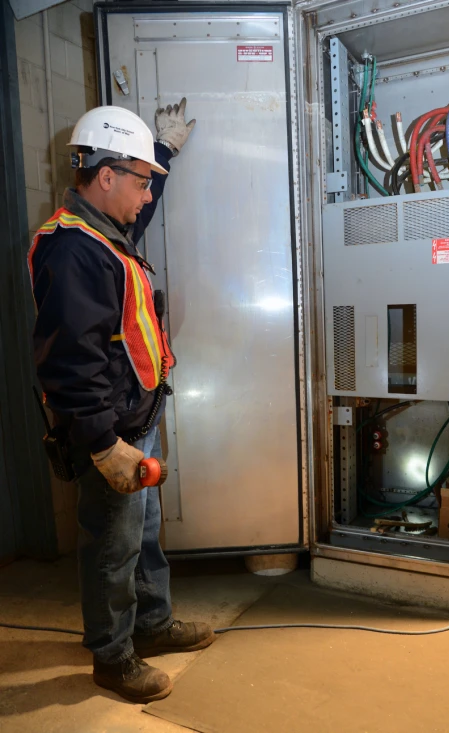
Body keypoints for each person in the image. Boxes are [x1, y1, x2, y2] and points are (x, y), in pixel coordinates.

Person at [28, 100, 215, 704]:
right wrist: (104, 445)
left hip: (137, 420)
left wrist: (162, 154)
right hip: (108, 432)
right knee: (112, 544)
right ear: (104, 176)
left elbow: (139, 205)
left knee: (144, 534)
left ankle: (153, 626)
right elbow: (69, 361)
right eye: (138, 182)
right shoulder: (73, 248)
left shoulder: (107, 231)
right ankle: (112, 657)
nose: (145, 197)